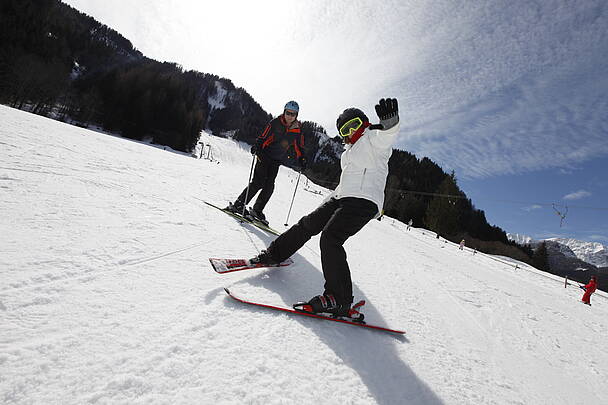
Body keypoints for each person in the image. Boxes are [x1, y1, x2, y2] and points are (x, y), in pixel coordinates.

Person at [249, 98, 400, 316]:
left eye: (354, 125)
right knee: (307, 224)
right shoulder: (348, 152)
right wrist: (326, 203)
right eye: (345, 130)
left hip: (364, 200)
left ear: (364, 123)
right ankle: (274, 254)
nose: (350, 132)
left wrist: (391, 123)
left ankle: (339, 299)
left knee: (331, 238)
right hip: (342, 197)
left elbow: (388, 136)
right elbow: (345, 183)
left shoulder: (373, 139)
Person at [226, 101, 306, 224]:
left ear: (296, 115)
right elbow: (263, 136)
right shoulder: (275, 123)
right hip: (264, 154)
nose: (290, 116)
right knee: (258, 182)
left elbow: (299, 147)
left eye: (293, 114)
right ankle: (239, 204)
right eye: (288, 113)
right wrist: (257, 145)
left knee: (269, 186)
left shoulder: (297, 131)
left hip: (276, 160)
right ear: (284, 112)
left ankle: (257, 210)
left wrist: (302, 158)